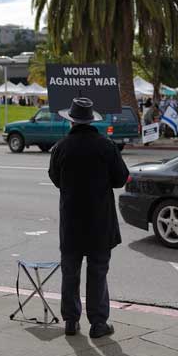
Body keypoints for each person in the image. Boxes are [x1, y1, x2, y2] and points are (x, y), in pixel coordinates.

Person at [49, 97, 129, 339]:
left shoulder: (61, 147)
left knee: (70, 272)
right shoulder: (106, 146)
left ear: (72, 120)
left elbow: (55, 179)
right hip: (99, 222)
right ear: (91, 119)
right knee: (98, 272)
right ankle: (98, 323)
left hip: (71, 222)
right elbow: (120, 179)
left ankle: (71, 321)